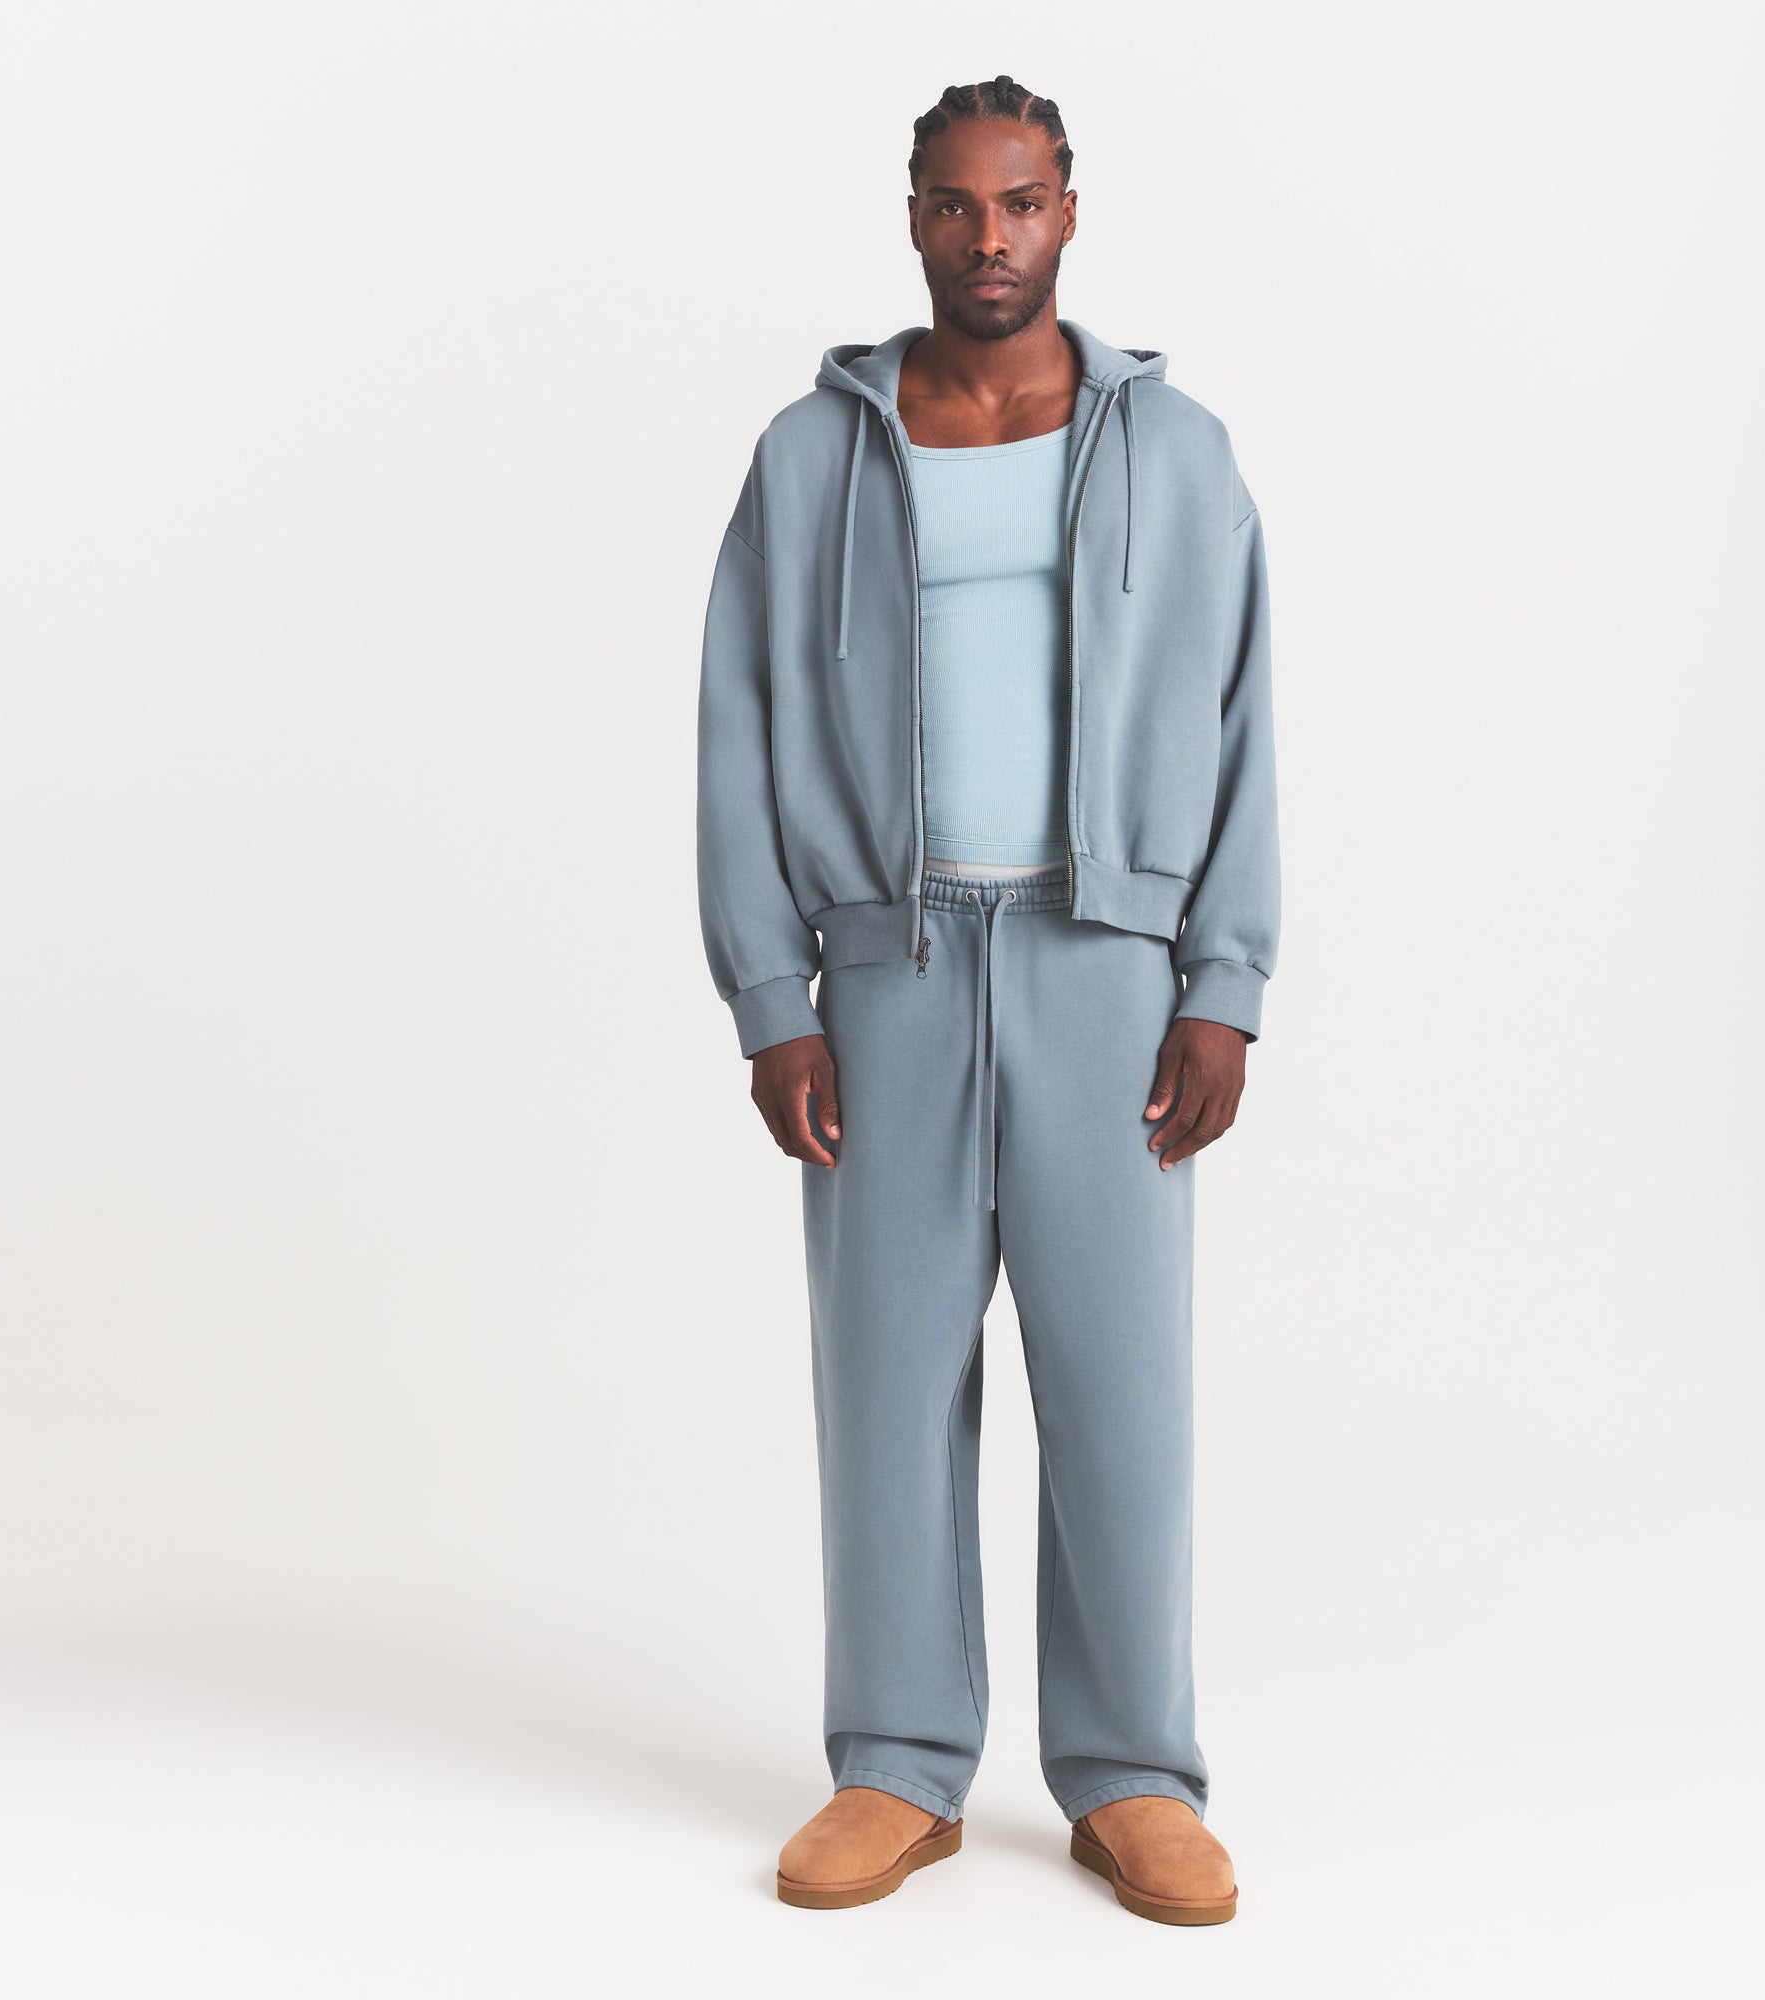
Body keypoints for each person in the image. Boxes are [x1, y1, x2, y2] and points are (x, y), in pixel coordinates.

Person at [695, 75, 1280, 1926]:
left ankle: (1133, 1777)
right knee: (885, 1382)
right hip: (891, 971)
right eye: (955, 205)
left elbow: (1243, 715)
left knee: (1121, 1390)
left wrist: (1224, 979)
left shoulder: (1175, 452)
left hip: (1107, 969)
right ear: (915, 219)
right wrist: (774, 991)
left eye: (1020, 202)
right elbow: (738, 722)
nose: (989, 237)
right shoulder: (814, 454)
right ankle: (896, 1763)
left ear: (1070, 212)